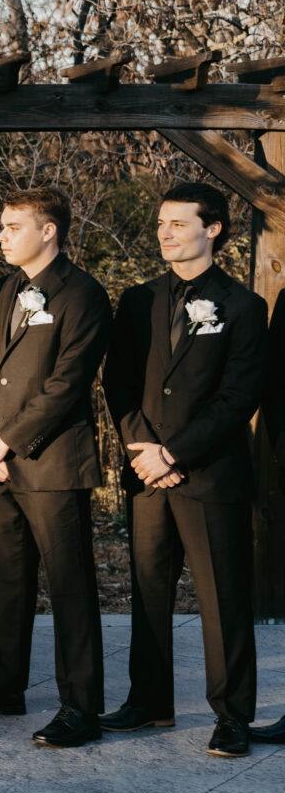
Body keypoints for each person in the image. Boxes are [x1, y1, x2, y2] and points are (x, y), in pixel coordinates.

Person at [101, 182, 264, 758]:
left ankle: (233, 717)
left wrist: (175, 454)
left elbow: (238, 395)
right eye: (162, 223)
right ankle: (148, 702)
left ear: (212, 228)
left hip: (210, 475)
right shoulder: (138, 299)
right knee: (147, 591)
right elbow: (117, 380)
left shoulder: (244, 306)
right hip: (145, 473)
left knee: (223, 598)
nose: (166, 232)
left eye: (178, 223)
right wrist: (142, 448)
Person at [0, 186, 109, 747]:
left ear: (49, 231)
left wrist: (8, 441)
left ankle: (81, 708)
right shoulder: (1, 290)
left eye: (12, 226)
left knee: (69, 586)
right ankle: (4, 686)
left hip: (53, 462)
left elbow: (68, 383)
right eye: (1, 225)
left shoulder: (83, 293)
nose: (0, 235)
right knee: (7, 581)